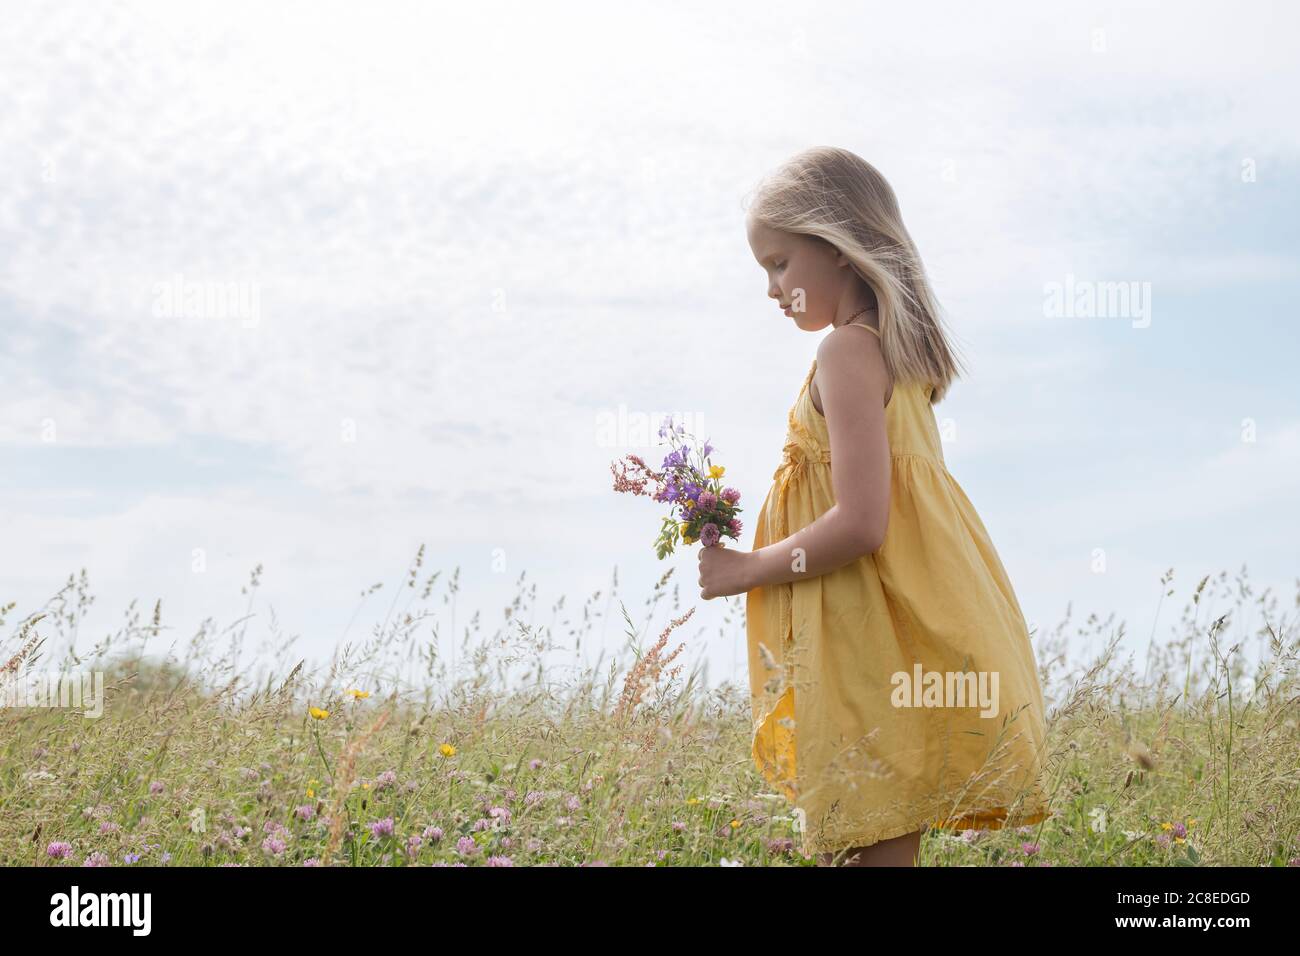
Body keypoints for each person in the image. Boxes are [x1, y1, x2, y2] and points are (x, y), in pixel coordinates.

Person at [697, 146, 1052, 866]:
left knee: (866, 844)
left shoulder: (847, 354)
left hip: (868, 631)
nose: (770, 288)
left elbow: (861, 521)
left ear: (839, 249)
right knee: (860, 844)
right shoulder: (892, 355)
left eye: (778, 263)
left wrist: (748, 569)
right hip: (886, 623)